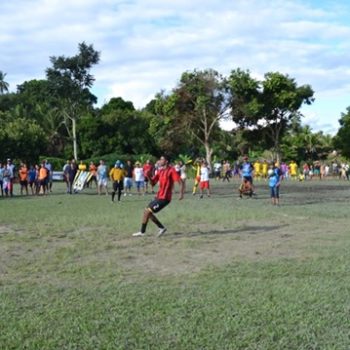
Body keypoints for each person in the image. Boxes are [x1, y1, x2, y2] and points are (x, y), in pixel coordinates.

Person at [133, 155, 184, 237]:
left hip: (165, 198)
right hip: (159, 196)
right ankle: (160, 228)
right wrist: (148, 176)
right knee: (147, 212)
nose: (159, 161)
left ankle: (143, 232)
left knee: (147, 212)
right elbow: (153, 183)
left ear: (166, 161)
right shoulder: (160, 171)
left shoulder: (171, 170)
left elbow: (180, 182)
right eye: (160, 159)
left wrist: (181, 194)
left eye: (161, 159)